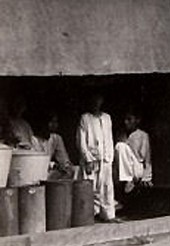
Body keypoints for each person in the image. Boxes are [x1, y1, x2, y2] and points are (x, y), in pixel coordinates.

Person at [78, 93, 117, 222]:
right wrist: (87, 158)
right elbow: (81, 140)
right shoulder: (85, 118)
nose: (96, 103)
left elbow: (109, 138)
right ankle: (91, 215)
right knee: (91, 187)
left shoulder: (107, 118)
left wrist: (109, 157)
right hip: (92, 158)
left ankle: (108, 215)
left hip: (105, 157)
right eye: (93, 100)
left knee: (106, 187)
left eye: (98, 100)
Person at [115, 111, 153, 195]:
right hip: (121, 170)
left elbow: (147, 158)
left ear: (137, 120)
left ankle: (129, 180)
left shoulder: (143, 135)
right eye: (125, 119)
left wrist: (147, 177)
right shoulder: (121, 135)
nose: (126, 122)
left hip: (136, 169)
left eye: (129, 119)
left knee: (120, 146)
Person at [31, 112, 74, 179]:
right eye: (51, 122)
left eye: (55, 122)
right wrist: (53, 165)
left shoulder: (56, 138)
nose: (54, 125)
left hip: (49, 174)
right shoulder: (34, 140)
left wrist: (66, 166)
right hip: (36, 173)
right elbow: (37, 162)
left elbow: (63, 158)